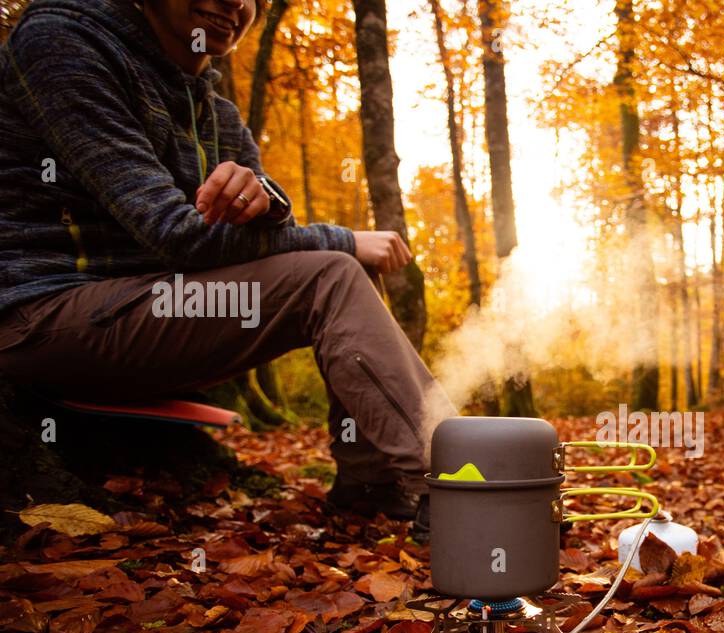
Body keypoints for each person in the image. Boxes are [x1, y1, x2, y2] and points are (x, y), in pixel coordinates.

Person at [0, 0, 456, 537]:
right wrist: (345, 239)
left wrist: (267, 203)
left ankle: (372, 482)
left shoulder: (216, 112)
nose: (237, 4)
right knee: (333, 272)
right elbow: (175, 235)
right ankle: (459, 482)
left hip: (154, 311)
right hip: (43, 314)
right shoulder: (63, 43)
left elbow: (268, 249)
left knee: (339, 271)